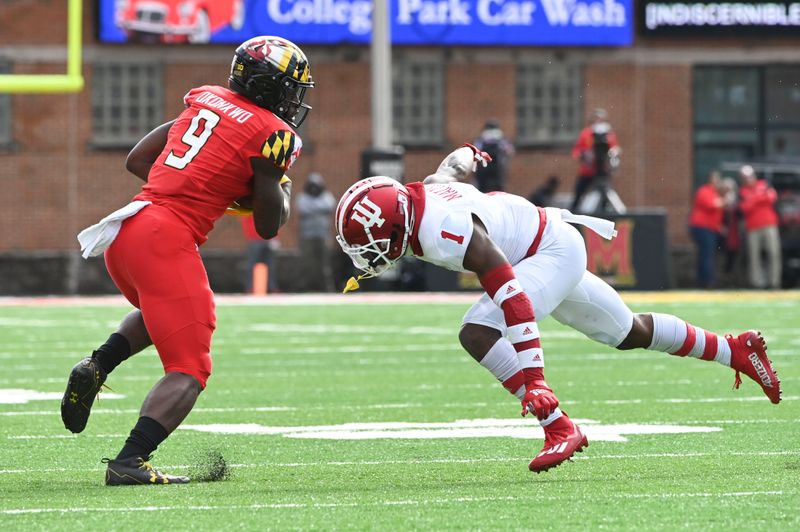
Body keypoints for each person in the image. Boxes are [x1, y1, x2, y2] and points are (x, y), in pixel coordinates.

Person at [335, 144, 782, 473]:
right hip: (548, 243)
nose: (365, 253)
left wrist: (536, 381)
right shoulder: (423, 196)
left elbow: (514, 298)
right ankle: (733, 350)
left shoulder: (443, 231)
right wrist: (471, 152)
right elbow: (449, 168)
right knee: (627, 332)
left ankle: (557, 425)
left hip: (546, 252)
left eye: (365, 242)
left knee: (476, 331)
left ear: (392, 224)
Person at [62, 36, 313, 485]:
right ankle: (129, 462)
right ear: (270, 86)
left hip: (129, 228)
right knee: (190, 369)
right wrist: (278, 188)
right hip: (166, 238)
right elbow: (270, 224)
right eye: (291, 88)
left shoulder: (206, 99)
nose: (294, 99)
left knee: (158, 314)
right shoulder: (273, 134)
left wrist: (209, 186)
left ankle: (99, 364)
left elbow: (139, 159)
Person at [738, 165, 782, 289]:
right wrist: (760, 198)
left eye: (750, 176)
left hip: (769, 224)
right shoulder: (742, 191)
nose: (748, 179)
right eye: (745, 177)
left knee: (774, 253)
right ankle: (756, 283)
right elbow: (744, 208)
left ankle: (774, 283)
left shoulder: (764, 184)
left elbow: (772, 197)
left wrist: (754, 199)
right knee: (754, 256)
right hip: (752, 227)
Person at [570, 108, 622, 213]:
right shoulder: (586, 134)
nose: (598, 122)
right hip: (587, 171)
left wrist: (613, 155)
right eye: (596, 119)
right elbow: (576, 150)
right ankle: (574, 212)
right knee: (579, 193)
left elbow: (615, 149)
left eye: (601, 120)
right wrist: (584, 156)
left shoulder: (609, 135)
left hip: (603, 170)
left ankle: (605, 212)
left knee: (605, 194)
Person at [295, 172, 336, 292]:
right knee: (307, 263)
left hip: (323, 236)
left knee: (325, 265)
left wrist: (313, 209)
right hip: (307, 237)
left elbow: (330, 205)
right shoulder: (302, 197)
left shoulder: (327, 196)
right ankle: (305, 287)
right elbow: (303, 207)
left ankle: (327, 288)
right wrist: (319, 210)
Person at [688, 170, 727, 288]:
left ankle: (704, 280)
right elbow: (713, 205)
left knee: (706, 255)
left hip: (709, 228)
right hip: (702, 228)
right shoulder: (705, 190)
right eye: (716, 179)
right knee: (707, 255)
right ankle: (707, 282)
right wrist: (726, 199)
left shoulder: (715, 192)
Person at [240, 215, 280, 294]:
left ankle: (272, 287)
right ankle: (250, 287)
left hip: (267, 239)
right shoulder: (249, 210)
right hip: (256, 239)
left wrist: (275, 238)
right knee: (252, 264)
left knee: (270, 265)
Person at [471, 120, 514, 193]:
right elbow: (509, 151)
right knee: (499, 191)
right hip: (496, 170)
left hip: (484, 170)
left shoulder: (480, 140)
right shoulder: (501, 140)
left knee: (482, 191)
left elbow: (473, 152)